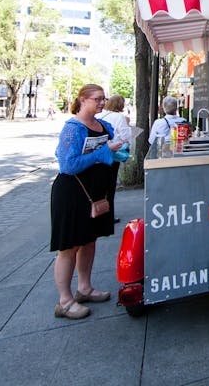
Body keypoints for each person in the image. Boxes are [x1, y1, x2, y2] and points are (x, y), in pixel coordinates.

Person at [50, 84, 124, 319]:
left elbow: (111, 151)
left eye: (103, 99)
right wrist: (103, 153)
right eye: (97, 99)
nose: (101, 103)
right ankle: (65, 300)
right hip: (73, 194)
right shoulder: (72, 128)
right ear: (82, 100)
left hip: (96, 193)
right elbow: (68, 165)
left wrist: (119, 150)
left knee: (89, 241)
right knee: (69, 247)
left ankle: (84, 287)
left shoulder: (104, 125)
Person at [96, 94, 131, 223]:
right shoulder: (119, 117)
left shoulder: (99, 115)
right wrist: (127, 124)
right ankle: (108, 216)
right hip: (113, 154)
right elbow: (126, 135)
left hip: (98, 154)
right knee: (110, 186)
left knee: (100, 185)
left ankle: (98, 212)